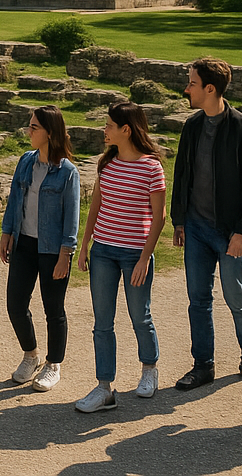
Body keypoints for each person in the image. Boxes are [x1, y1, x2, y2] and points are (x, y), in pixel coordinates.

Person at [171, 56, 242, 391]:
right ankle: (203, 365)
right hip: (195, 229)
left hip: (228, 232)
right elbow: (182, 174)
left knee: (236, 296)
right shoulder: (192, 126)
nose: (187, 89)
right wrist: (179, 220)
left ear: (210, 88)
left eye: (192, 83)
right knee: (198, 300)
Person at [75, 101, 166, 413]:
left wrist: (145, 258)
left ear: (126, 130)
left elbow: (159, 217)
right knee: (102, 322)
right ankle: (104, 389)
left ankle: (149, 369)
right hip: (103, 251)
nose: (105, 130)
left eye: (109, 125)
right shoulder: (107, 163)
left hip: (135, 254)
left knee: (140, 315)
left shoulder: (152, 167)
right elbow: (96, 206)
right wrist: (85, 244)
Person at [0, 105, 80, 393]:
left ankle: (53, 364)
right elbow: (14, 200)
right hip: (24, 242)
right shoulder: (26, 161)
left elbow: (72, 217)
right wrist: (6, 233)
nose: (29, 131)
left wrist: (65, 255)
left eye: (34, 127)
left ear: (50, 133)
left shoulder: (68, 172)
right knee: (15, 304)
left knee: (53, 309)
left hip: (52, 249)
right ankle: (30, 355)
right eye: (30, 126)